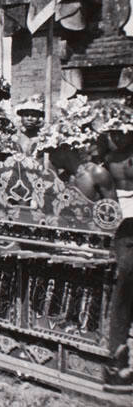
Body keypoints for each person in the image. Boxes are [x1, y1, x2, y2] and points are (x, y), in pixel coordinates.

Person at [96, 99, 133, 376]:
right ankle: (117, 342)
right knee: (122, 275)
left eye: (123, 131)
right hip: (119, 220)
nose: (118, 136)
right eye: (114, 132)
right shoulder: (107, 160)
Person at [34, 96, 116, 202]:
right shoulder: (62, 178)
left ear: (65, 148)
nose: (50, 157)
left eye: (52, 152)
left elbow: (114, 213)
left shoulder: (97, 173)